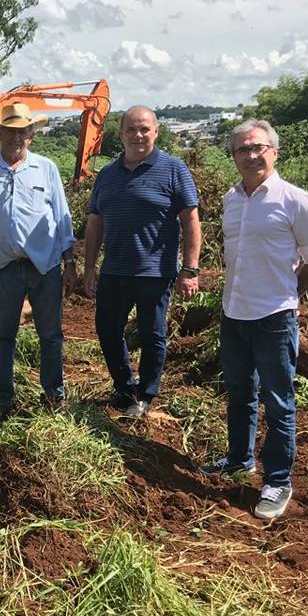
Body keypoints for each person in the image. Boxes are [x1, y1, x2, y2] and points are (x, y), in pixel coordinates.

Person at [201, 119, 308, 521]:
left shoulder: (295, 201)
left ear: (274, 151)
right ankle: (240, 458)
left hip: (274, 316)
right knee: (240, 392)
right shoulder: (231, 199)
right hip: (233, 313)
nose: (251, 155)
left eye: (258, 148)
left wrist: (292, 292)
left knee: (278, 401)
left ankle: (277, 480)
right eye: (242, 150)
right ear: (234, 157)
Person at [83, 106, 201, 418]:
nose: (138, 135)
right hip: (114, 271)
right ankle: (125, 388)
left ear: (156, 132)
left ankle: (146, 395)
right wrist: (89, 267)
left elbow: (191, 221)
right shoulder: (107, 175)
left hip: (155, 272)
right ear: (120, 134)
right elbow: (95, 223)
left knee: (152, 335)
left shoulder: (173, 169)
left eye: (144, 129)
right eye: (131, 130)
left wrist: (190, 269)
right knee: (107, 330)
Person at [0, 103, 78, 424]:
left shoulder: (46, 168)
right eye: (10, 131)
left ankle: (54, 396)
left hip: (45, 267)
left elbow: (62, 216)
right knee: (2, 337)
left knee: (51, 335)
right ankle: (1, 399)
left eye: (22, 131)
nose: (16, 137)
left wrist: (70, 263)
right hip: (3, 269)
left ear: (30, 135)